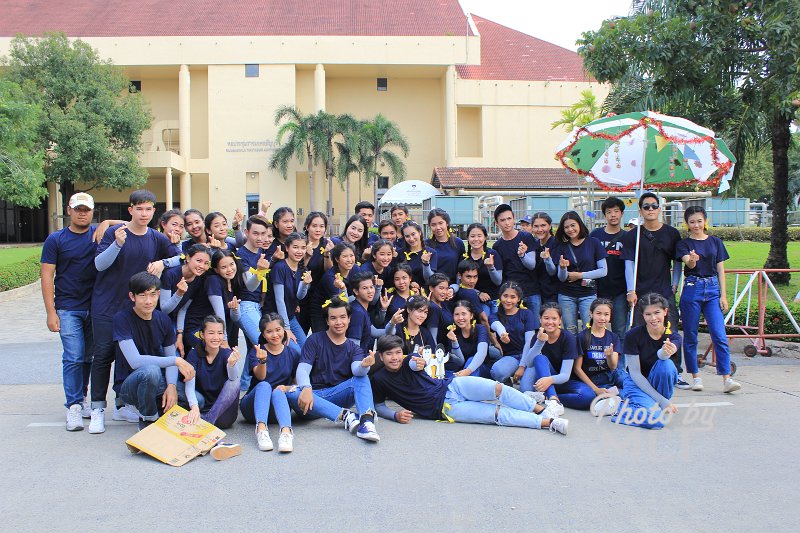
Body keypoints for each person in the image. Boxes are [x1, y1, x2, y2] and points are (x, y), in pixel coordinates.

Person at [89, 190, 175, 434]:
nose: (144, 213)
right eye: (139, 209)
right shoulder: (115, 233)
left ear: (153, 211)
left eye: (149, 209)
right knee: (104, 355)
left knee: (130, 356)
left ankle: (121, 404)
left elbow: (182, 256)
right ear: (130, 210)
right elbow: (99, 264)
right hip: (107, 305)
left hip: (137, 308)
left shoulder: (156, 238)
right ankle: (97, 408)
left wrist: (163, 263)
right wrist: (117, 244)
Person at [370, 335, 568, 434]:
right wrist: (395, 415)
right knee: (495, 414)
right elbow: (378, 405)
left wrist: (416, 362)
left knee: (497, 388)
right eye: (389, 354)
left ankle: (541, 410)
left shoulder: (409, 359)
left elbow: (414, 363)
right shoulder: (379, 379)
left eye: (397, 352)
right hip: (445, 409)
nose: (394, 358)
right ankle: (549, 423)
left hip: (452, 386)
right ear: (381, 356)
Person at [40, 192, 99, 431]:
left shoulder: (98, 234)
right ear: (69, 210)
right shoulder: (56, 240)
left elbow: (130, 223)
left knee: (88, 358)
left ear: (93, 211)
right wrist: (50, 312)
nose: (82, 213)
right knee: (73, 357)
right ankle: (73, 406)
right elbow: (47, 275)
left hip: (95, 307)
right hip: (68, 308)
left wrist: (106, 223)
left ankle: (82, 398)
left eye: (86, 209)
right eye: (78, 209)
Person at [284, 298, 381, 442]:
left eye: (343, 317)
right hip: (312, 399)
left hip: (338, 396)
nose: (339, 322)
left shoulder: (354, 348)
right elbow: (303, 369)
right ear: (327, 321)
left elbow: (356, 371)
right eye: (333, 318)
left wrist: (364, 365)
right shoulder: (315, 340)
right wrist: (305, 387)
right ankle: (347, 416)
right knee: (291, 392)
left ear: (349, 319)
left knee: (362, 377)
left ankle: (366, 422)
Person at [621, 192, 687, 388]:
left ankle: (676, 372)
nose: (650, 209)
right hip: (641, 291)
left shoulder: (671, 233)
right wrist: (630, 290)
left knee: (671, 330)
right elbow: (629, 264)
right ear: (640, 210)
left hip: (664, 290)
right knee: (639, 331)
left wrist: (676, 283)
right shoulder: (633, 235)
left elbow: (677, 261)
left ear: (659, 209)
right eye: (646, 206)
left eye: (654, 206)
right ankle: (639, 371)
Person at [114, 272, 195, 431]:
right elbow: (134, 361)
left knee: (197, 399)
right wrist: (176, 360)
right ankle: (148, 419)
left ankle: (160, 407)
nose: (148, 301)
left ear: (158, 294)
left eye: (152, 294)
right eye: (142, 295)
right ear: (132, 296)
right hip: (130, 385)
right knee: (151, 370)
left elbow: (170, 355)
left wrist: (171, 385)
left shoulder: (163, 319)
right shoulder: (121, 319)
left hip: (157, 382)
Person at [677, 206, 741, 393]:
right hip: (692, 288)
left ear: (705, 221)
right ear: (687, 224)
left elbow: (721, 269)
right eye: (692, 222)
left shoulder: (715, 242)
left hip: (712, 289)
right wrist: (693, 260)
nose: (696, 225)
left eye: (699, 221)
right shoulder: (684, 244)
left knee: (719, 334)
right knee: (690, 335)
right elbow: (687, 262)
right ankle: (696, 377)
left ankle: (726, 378)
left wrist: (723, 294)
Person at [611, 293, 681, 429]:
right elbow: (635, 374)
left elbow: (662, 358)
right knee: (657, 421)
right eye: (648, 314)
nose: (653, 318)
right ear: (643, 316)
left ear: (665, 312)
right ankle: (622, 410)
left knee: (666, 364)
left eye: (657, 312)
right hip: (636, 382)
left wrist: (665, 352)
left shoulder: (673, 337)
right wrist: (663, 402)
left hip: (656, 383)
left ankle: (649, 405)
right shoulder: (633, 335)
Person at [240, 314, 299, 453]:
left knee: (279, 391)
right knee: (265, 385)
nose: (275, 335)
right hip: (253, 407)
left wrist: (287, 388)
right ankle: (261, 430)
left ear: (284, 330)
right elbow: (261, 377)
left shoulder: (293, 353)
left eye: (278, 329)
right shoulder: (257, 352)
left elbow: (296, 385)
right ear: (263, 334)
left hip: (277, 408)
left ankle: (286, 433)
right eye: (269, 331)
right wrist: (262, 361)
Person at [546, 211, 607, 334]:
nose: (570, 229)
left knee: (589, 329)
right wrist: (563, 268)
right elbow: (561, 278)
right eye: (566, 227)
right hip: (566, 295)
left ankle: (586, 353)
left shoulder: (593, 242)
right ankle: (573, 353)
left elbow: (603, 271)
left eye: (573, 225)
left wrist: (580, 275)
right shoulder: (561, 246)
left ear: (579, 224)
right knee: (570, 330)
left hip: (588, 294)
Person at [180, 316, 242, 429]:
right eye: (211, 333)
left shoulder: (226, 354)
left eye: (219, 333)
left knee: (235, 382)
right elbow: (189, 385)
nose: (216, 337)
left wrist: (231, 364)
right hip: (201, 408)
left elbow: (233, 380)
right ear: (202, 335)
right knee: (175, 385)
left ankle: (208, 420)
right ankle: (205, 419)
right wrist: (194, 408)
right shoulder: (194, 354)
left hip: (222, 412)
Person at [527, 304, 586, 413]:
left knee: (587, 396)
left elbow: (565, 375)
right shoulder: (538, 336)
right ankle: (554, 400)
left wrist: (550, 380)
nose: (550, 322)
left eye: (554, 318)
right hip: (543, 377)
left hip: (562, 380)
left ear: (560, 320)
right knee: (539, 359)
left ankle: (546, 397)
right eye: (546, 318)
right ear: (540, 319)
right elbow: (529, 363)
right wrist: (539, 342)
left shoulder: (568, 338)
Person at [573, 298, 625, 415]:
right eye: (598, 313)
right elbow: (577, 369)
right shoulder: (582, 337)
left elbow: (613, 366)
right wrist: (595, 389)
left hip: (610, 376)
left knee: (626, 382)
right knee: (590, 397)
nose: (602, 318)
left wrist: (609, 356)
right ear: (591, 314)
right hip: (593, 379)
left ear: (610, 316)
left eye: (606, 314)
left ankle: (616, 400)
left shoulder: (613, 337)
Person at [491, 204, 539, 324]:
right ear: (497, 223)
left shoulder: (526, 237)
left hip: (531, 291)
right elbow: (500, 276)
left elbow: (532, 265)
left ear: (513, 219)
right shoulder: (497, 246)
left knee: (535, 327)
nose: (507, 223)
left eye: (509, 219)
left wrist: (522, 255)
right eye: (502, 220)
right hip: (511, 295)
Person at [590, 197, 629, 343]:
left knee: (620, 330)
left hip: (620, 290)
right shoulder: (595, 235)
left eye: (616, 211)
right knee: (597, 327)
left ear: (621, 213)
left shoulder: (627, 237)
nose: (613, 215)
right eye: (609, 212)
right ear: (604, 215)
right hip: (598, 289)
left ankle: (619, 364)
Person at [266, 232, 312, 353]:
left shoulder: (303, 269)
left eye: (303, 248)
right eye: (295, 247)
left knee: (308, 349)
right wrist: (286, 328)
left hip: (291, 317)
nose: (299, 251)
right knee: (296, 351)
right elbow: (279, 300)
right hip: (276, 319)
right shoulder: (280, 267)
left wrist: (305, 285)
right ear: (287, 248)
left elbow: (299, 297)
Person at [488, 282, 536, 386]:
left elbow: (529, 342)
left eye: (513, 297)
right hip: (511, 357)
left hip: (529, 356)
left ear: (518, 299)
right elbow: (497, 326)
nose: (508, 300)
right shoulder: (494, 316)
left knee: (526, 388)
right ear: (500, 297)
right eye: (505, 296)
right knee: (497, 371)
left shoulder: (526, 313)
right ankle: (507, 384)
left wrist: (522, 366)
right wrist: (503, 334)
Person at [158, 244, 211, 330]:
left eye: (206, 263)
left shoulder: (200, 279)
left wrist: (180, 332)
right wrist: (179, 293)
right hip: (158, 320)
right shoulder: (170, 275)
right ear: (188, 258)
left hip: (175, 321)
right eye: (198, 261)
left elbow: (183, 309)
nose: (202, 266)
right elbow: (164, 310)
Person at [298, 211, 335, 334]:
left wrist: (327, 255)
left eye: (321, 226)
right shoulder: (300, 244)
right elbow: (297, 270)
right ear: (307, 227)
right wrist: (306, 256)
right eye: (314, 226)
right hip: (302, 297)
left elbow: (329, 272)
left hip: (320, 298)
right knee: (300, 336)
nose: (318, 229)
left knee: (320, 335)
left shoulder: (327, 245)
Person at [347, 271, 397, 352]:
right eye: (365, 288)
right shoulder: (357, 312)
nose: (370, 291)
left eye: (371, 287)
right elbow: (353, 344)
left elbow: (374, 332)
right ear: (356, 291)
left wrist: (392, 323)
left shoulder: (361, 308)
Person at [447, 300, 497, 378]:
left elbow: (482, 353)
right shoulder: (452, 332)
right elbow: (460, 362)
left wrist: (468, 371)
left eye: (464, 314)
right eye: (456, 314)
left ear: (471, 316)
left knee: (471, 359)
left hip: (481, 368)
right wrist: (454, 342)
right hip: (462, 371)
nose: (460, 318)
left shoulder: (480, 329)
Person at [464, 222, 503, 316]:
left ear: (485, 237)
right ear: (468, 238)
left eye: (479, 236)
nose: (476, 239)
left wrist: (491, 267)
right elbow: (461, 283)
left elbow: (498, 281)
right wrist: (478, 293)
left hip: (494, 299)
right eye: (472, 236)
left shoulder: (492, 254)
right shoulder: (465, 257)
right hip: (476, 300)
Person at [426, 208, 465, 284]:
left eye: (441, 223)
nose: (438, 228)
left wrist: (455, 287)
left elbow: (461, 270)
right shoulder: (426, 244)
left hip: (452, 288)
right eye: (433, 225)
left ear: (447, 223)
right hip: (432, 287)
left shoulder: (458, 243)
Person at [531, 212, 558, 306]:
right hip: (537, 292)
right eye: (536, 226)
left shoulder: (556, 244)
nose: (540, 229)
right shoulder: (534, 244)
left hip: (554, 294)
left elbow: (553, 271)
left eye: (543, 225)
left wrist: (547, 259)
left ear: (550, 226)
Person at [399, 221, 436, 288]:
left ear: (419, 232)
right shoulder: (400, 253)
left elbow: (431, 279)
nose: (411, 239)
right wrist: (409, 283)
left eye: (413, 234)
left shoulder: (430, 252)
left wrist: (426, 264)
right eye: (407, 236)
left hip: (426, 293)